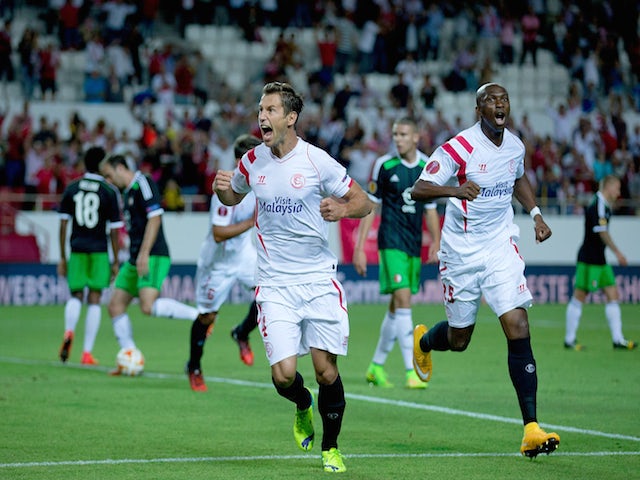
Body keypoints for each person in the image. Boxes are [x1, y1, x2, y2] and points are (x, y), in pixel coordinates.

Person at [213, 82, 374, 473]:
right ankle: (303, 405)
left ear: (290, 118)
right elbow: (232, 196)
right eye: (260, 110)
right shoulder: (252, 161)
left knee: (325, 370)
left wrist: (341, 208)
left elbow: (364, 201)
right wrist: (222, 191)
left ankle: (331, 448)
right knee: (285, 376)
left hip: (318, 279)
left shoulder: (317, 161)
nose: (262, 116)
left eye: (269, 110)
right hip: (274, 284)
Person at [410, 83, 561, 458]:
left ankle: (531, 429)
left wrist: (536, 214)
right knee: (460, 339)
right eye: (492, 100)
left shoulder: (515, 144)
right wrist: (455, 192)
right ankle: (425, 342)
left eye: (504, 99)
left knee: (518, 323)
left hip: (499, 246)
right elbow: (419, 188)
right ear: (479, 108)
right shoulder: (458, 147)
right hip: (460, 254)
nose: (500, 104)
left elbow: (517, 177)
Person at [353, 117, 441, 389]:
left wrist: (436, 242)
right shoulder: (383, 165)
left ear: (416, 137)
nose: (398, 139)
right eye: (395, 134)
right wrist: (358, 248)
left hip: (413, 245)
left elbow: (430, 210)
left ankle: (375, 367)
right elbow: (371, 206)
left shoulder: (428, 167)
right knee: (404, 302)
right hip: (390, 242)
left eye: (403, 134)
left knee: (395, 308)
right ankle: (411, 371)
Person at [99, 154, 201, 375]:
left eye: (109, 175)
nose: (108, 180)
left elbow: (155, 218)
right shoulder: (125, 193)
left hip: (153, 255)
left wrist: (144, 253)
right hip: (134, 258)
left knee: (147, 306)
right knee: (115, 306)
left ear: (120, 168)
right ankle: (129, 355)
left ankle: (200, 318)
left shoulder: (143, 182)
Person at [186, 134, 262, 392]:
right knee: (207, 316)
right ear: (242, 160)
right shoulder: (226, 185)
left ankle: (241, 332)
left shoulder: (259, 184)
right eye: (255, 157)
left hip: (243, 256)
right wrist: (252, 221)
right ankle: (194, 366)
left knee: (268, 294)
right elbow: (219, 233)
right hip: (216, 263)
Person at [57, 146, 123, 365]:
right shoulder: (109, 190)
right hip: (99, 250)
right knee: (94, 299)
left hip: (76, 248)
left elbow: (63, 225)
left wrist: (63, 257)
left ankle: (68, 332)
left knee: (76, 295)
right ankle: (86, 352)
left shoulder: (72, 188)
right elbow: (114, 230)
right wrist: (115, 261)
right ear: (102, 164)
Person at [565, 175, 636, 351]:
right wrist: (619, 253)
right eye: (617, 188)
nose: (619, 193)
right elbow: (602, 232)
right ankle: (569, 339)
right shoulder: (598, 204)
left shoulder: (602, 204)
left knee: (613, 294)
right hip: (589, 260)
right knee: (579, 296)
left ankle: (618, 339)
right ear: (609, 187)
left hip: (600, 260)